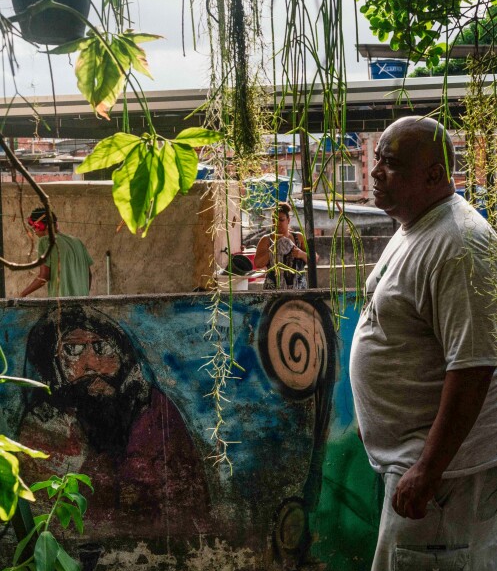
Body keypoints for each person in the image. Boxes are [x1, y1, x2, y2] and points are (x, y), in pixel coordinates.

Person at [349, 116, 497, 571]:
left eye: (391, 164)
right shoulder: (418, 226)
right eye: (377, 160)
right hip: (426, 462)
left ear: (434, 174)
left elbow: (474, 367)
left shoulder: (460, 244)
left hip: (452, 471)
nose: (374, 172)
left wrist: (428, 471)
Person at [17, 304, 210, 538]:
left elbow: (188, 502)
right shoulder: (43, 423)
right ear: (54, 362)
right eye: (74, 349)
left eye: (101, 347)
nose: (92, 364)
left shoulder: (152, 408)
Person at [19, 207, 92, 298]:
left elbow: (44, 276)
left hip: (61, 304)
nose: (35, 231)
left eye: (34, 228)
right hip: (82, 303)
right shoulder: (78, 242)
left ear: (41, 226)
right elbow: (89, 275)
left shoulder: (45, 241)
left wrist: (23, 294)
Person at [254, 201, 309, 290]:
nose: (278, 223)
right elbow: (258, 263)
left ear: (288, 220)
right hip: (273, 290)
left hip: (298, 289)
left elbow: (314, 259)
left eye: (281, 219)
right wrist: (272, 250)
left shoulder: (299, 238)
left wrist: (301, 254)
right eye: (274, 220)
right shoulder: (266, 240)